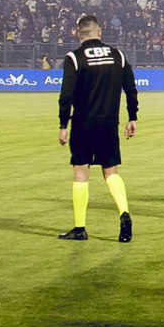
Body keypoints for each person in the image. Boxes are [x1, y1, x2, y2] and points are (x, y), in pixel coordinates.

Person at [56, 13, 138, 241]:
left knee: (81, 172)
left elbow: (66, 95)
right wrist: (133, 117)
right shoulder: (117, 55)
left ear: (77, 33)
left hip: (83, 123)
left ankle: (80, 228)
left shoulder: (74, 57)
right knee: (110, 171)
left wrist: (63, 124)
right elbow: (131, 89)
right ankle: (124, 213)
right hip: (109, 123)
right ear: (99, 32)